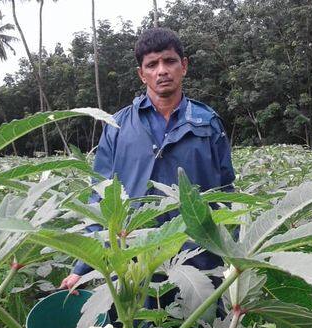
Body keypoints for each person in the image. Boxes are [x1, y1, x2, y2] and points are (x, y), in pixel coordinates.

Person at [60, 27, 236, 291]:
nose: (162, 70)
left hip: (199, 260)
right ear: (142, 74)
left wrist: (233, 256)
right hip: (134, 261)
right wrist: (81, 269)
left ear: (183, 66)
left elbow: (224, 193)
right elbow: (100, 196)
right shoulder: (117, 126)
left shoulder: (207, 122)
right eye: (152, 65)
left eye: (169, 61)